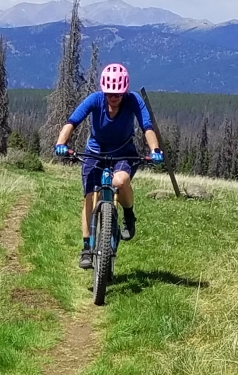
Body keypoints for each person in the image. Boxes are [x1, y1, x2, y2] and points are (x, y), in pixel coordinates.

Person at [53, 63, 164, 269]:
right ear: (104, 91)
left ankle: (129, 216)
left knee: (120, 181)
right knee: (89, 197)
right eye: (110, 94)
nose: (114, 98)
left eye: (118, 94)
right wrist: (61, 143)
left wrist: (155, 150)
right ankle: (87, 248)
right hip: (95, 152)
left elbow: (146, 126)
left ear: (124, 92)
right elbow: (72, 121)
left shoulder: (133, 101)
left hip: (123, 151)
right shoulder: (95, 100)